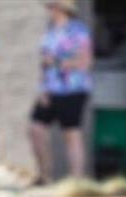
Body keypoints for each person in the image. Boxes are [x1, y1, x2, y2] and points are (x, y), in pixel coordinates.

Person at [28, 0, 92, 183]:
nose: (48, 9)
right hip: (50, 90)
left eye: (51, 5)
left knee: (71, 133)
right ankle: (44, 175)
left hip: (73, 89)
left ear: (62, 8)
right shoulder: (49, 31)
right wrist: (42, 89)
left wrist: (57, 62)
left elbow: (85, 62)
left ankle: (77, 180)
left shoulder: (79, 30)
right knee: (36, 129)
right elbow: (44, 64)